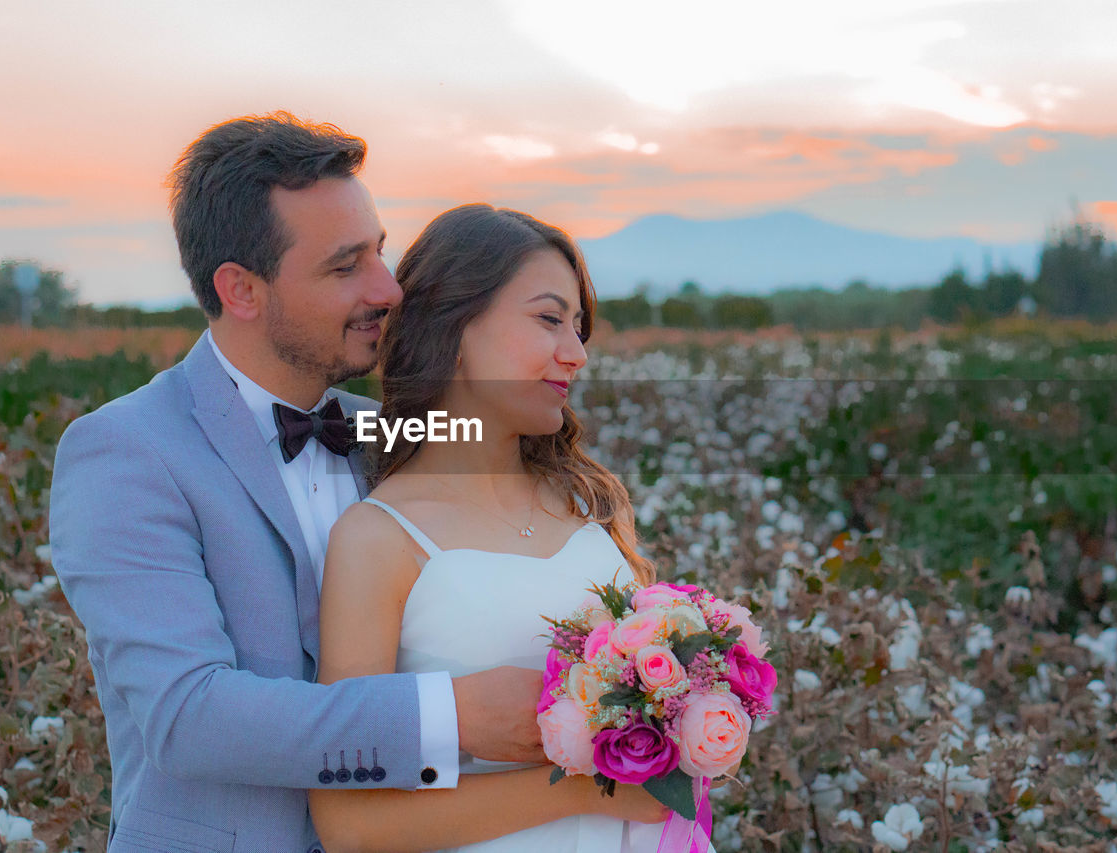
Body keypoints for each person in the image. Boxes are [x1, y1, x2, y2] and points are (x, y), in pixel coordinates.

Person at [49, 114, 564, 852]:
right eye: (345, 265)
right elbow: (187, 717)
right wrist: (453, 716)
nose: (390, 289)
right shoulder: (126, 451)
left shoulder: (394, 429)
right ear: (242, 290)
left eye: (381, 252)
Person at [310, 204, 693, 852]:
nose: (574, 353)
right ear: (455, 327)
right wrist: (579, 785)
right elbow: (350, 821)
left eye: (578, 328)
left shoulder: (585, 501)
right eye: (549, 319)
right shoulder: (377, 537)